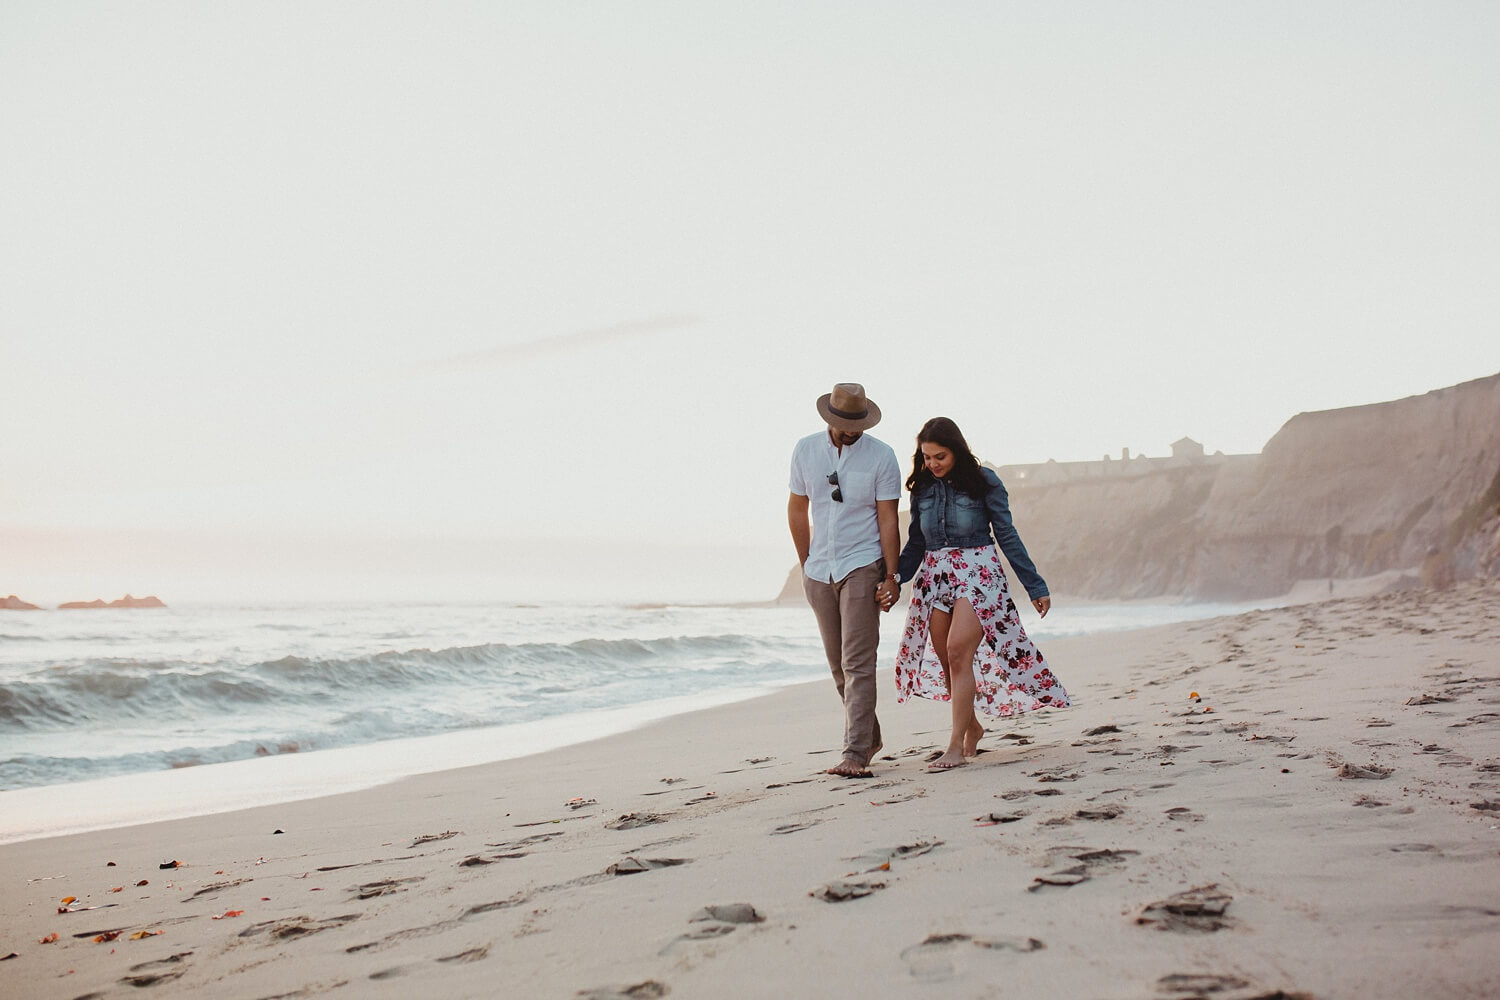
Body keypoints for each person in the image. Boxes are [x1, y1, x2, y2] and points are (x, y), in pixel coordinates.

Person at [894, 417, 1069, 770]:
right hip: (934, 575)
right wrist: (894, 578)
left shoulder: (985, 481)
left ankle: (955, 746)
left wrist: (1034, 584)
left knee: (959, 649)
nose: (932, 464)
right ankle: (972, 727)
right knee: (946, 657)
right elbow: (916, 541)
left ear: (957, 450)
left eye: (939, 456)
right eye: (926, 457)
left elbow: (1006, 533)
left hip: (978, 572)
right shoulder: (923, 488)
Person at [788, 383, 903, 778]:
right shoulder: (805, 450)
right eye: (845, 424)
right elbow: (797, 508)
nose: (853, 431)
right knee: (838, 666)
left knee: (858, 662)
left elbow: (888, 517)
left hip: (862, 562)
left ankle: (854, 752)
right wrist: (805, 565)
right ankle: (869, 737)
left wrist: (892, 574)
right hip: (820, 569)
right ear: (830, 419)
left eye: (858, 424)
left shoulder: (882, 456)